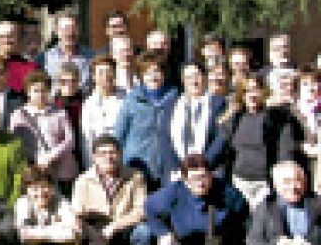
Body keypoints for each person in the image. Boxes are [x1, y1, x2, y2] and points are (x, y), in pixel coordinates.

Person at [72, 135, 148, 245]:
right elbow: (77, 214)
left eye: (112, 152)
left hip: (125, 227)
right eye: (102, 153)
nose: (108, 157)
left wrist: (115, 226)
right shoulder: (83, 180)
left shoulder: (135, 177)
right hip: (95, 231)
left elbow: (142, 209)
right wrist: (94, 233)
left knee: (144, 232)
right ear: (94, 156)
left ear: (120, 154)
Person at [219, 74, 303, 209]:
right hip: (239, 182)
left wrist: (283, 180)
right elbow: (226, 150)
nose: (252, 95)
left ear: (264, 91)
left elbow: (286, 151)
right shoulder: (235, 119)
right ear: (242, 94)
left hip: (265, 182)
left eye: (255, 89)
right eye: (247, 91)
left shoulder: (277, 118)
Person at [115, 53, 178, 190]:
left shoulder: (174, 97)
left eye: (157, 71)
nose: (153, 76)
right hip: (138, 163)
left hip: (167, 165)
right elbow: (120, 133)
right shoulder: (132, 99)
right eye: (147, 72)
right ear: (141, 76)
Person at [10, 70, 78, 194]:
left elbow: (70, 140)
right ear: (28, 92)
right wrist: (38, 158)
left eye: (44, 90)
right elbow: (18, 143)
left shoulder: (60, 112)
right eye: (36, 91)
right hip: (36, 169)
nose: (40, 94)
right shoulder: (19, 115)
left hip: (62, 169)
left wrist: (50, 156)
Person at [165, 61, 228, 180]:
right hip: (177, 173)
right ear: (183, 80)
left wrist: (202, 166)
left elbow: (222, 137)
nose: (193, 81)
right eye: (188, 77)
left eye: (197, 75)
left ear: (204, 77)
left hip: (209, 171)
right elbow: (164, 137)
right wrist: (177, 168)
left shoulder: (219, 103)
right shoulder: (172, 104)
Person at [80, 55, 124, 169]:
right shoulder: (89, 104)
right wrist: (91, 167)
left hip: (123, 159)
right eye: (101, 72)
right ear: (94, 77)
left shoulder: (126, 99)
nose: (106, 76)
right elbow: (87, 140)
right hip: (99, 162)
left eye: (109, 71)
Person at [38, 11, 91, 90]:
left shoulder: (91, 57)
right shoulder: (44, 59)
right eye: (65, 29)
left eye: (73, 28)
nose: (70, 33)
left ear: (78, 31)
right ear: (56, 32)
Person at [0, 21, 37, 95]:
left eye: (10, 36)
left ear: (17, 39)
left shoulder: (30, 68)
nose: (6, 40)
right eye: (2, 37)